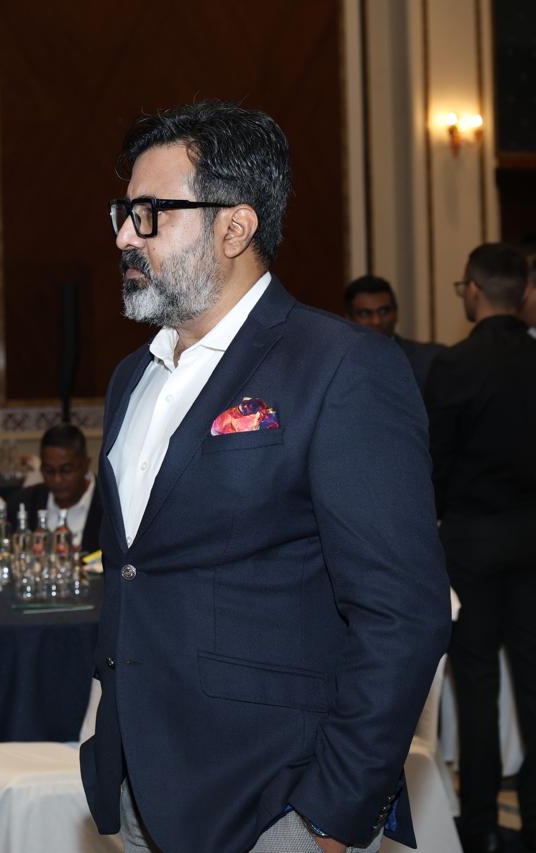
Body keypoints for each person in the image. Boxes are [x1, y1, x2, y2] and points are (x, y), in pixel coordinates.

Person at [81, 101, 450, 853]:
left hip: (272, 800)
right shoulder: (131, 377)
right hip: (142, 788)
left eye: (150, 213)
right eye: (124, 213)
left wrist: (325, 821)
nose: (124, 236)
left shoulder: (341, 367)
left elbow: (402, 615)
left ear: (235, 227)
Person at [424, 243, 536, 853]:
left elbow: (435, 462)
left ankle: (482, 825)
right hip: (533, 537)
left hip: (470, 539)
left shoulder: (456, 364)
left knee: (476, 684)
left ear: (472, 289)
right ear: (523, 293)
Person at [342, 275, 445, 392]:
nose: (376, 321)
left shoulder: (431, 359)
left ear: (396, 313)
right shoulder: (337, 365)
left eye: (383, 311)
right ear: (348, 318)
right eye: (365, 314)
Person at [10, 423, 102, 552]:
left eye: (66, 470)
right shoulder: (23, 503)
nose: (57, 479)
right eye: (49, 471)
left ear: (86, 465)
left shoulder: (109, 506)